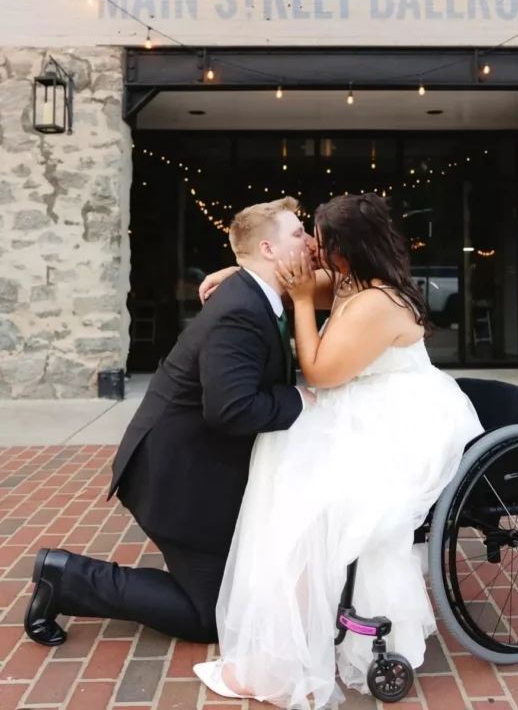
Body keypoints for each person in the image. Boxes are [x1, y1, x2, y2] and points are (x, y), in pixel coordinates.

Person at [193, 193, 483, 708]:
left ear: (348, 249)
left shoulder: (378, 302)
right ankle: (289, 629)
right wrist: (235, 271)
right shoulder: (350, 280)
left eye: (322, 243)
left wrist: (305, 302)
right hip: (358, 409)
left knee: (314, 503)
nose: (312, 249)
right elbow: (288, 276)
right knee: (285, 464)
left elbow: (320, 372)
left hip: (401, 424)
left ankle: (287, 643)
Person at [24, 197, 317, 647]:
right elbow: (232, 409)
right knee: (211, 617)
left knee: (243, 587)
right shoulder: (240, 311)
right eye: (299, 233)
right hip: (175, 479)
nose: (310, 242)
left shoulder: (252, 293)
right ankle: (64, 577)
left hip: (199, 465)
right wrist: (299, 399)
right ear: (268, 249)